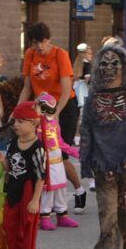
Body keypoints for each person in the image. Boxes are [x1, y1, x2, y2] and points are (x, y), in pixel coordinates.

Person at [80, 45, 126, 249]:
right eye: (104, 63)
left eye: (114, 63)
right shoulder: (92, 100)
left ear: (124, 67)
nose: (109, 68)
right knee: (107, 210)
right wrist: (86, 162)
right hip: (103, 163)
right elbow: (86, 131)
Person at [18, 22, 86, 212]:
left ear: (49, 40)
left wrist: (55, 115)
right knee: (43, 155)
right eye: (36, 43)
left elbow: (66, 91)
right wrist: (17, 112)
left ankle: (79, 190)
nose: (40, 46)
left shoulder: (59, 55)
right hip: (42, 108)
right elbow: (27, 88)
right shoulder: (31, 56)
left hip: (64, 108)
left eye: (44, 42)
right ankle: (46, 202)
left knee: (59, 154)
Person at [0, 101, 46, 249]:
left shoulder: (38, 147)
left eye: (20, 121)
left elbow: (41, 176)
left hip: (28, 191)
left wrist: (35, 200)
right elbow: (10, 168)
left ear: (33, 124)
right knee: (9, 225)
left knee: (27, 227)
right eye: (14, 121)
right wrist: (3, 162)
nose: (15, 125)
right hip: (14, 188)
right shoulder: (13, 143)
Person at [35, 93, 79, 230]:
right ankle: (44, 217)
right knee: (48, 189)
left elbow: (60, 141)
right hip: (46, 161)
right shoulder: (37, 123)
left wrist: (74, 152)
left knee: (60, 187)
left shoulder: (54, 123)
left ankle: (62, 216)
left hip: (58, 160)